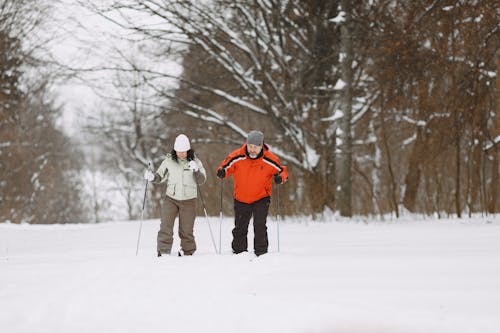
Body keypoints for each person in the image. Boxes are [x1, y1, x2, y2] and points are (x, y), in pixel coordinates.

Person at [216, 130, 288, 256]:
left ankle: (261, 252)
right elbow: (225, 167)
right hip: (241, 198)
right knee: (240, 226)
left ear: (261, 146)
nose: (252, 150)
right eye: (250, 146)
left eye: (255, 147)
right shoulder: (237, 156)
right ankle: (239, 252)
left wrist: (280, 178)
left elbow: (283, 171)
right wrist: (222, 172)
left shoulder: (270, 159)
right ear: (247, 144)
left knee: (259, 225)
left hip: (261, 197)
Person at [144, 134, 207, 257]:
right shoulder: (169, 161)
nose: (182, 154)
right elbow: (160, 176)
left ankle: (187, 251)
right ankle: (163, 250)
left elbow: (202, 180)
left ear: (188, 150)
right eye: (179, 151)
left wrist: (196, 170)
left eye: (184, 151)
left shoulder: (195, 161)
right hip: (171, 199)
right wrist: (152, 177)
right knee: (166, 225)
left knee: (186, 229)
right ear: (175, 150)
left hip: (189, 200)